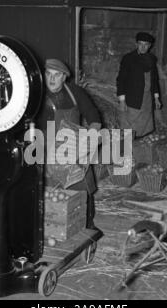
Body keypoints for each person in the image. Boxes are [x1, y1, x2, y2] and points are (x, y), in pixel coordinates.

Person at [36, 58, 102, 229]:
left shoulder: (75, 92)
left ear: (64, 77)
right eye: (48, 74)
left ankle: (87, 224)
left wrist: (90, 137)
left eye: (57, 75)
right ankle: (53, 227)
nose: (52, 79)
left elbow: (93, 116)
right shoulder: (36, 94)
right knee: (48, 191)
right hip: (45, 147)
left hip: (72, 147)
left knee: (82, 186)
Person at [116, 32, 162, 137]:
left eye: (146, 44)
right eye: (140, 44)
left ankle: (140, 144)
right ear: (136, 44)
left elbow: (154, 79)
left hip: (147, 98)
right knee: (130, 124)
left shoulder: (152, 59)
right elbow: (121, 80)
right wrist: (122, 101)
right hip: (133, 98)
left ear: (150, 46)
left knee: (144, 124)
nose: (143, 47)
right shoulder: (128, 59)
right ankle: (126, 147)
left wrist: (156, 98)